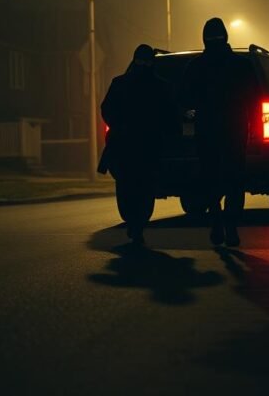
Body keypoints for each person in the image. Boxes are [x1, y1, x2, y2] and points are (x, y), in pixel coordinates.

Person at [181, 18, 258, 247]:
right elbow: (254, 96)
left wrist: (190, 115)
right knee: (235, 178)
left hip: (207, 130)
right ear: (226, 36)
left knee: (210, 178)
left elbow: (184, 99)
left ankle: (216, 222)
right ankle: (231, 225)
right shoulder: (241, 65)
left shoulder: (196, 66)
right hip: (234, 129)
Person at [100, 44, 173, 245]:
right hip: (149, 147)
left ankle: (133, 221)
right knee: (145, 188)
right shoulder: (160, 86)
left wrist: (119, 126)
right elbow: (169, 115)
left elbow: (107, 110)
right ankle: (138, 223)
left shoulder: (120, 83)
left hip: (124, 147)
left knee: (126, 185)